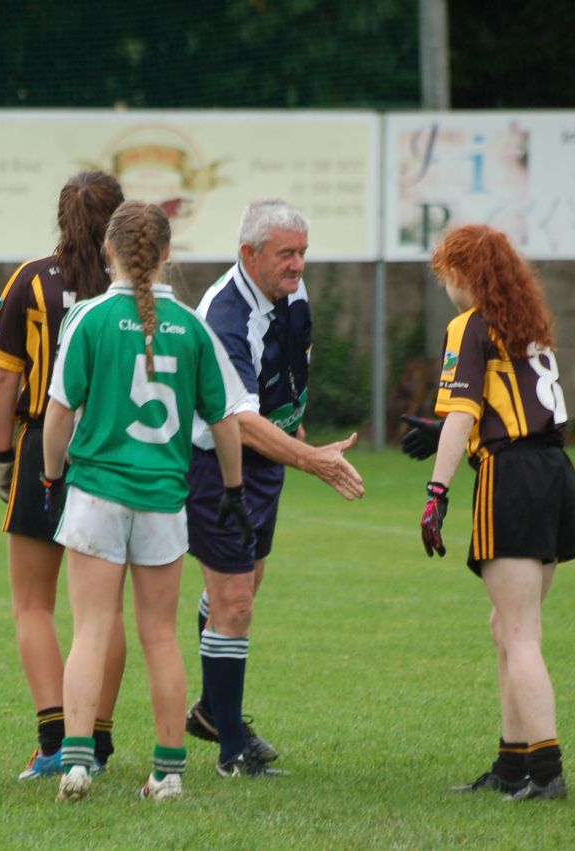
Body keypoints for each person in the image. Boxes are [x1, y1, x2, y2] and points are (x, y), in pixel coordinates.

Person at [43, 201, 251, 802]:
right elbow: (227, 420)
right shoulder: (191, 324)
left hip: (98, 495)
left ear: (108, 252)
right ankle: (168, 772)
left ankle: (78, 763)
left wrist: (51, 479)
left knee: (90, 630)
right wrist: (234, 490)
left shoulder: (89, 318)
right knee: (160, 634)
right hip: (163, 500)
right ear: (166, 255)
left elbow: (59, 414)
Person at [184, 198, 365, 777]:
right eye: (286, 254)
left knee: (244, 587)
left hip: (264, 458)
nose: (298, 265)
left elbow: (289, 361)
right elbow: (235, 417)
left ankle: (213, 710)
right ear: (248, 254)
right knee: (235, 601)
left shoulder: (292, 294)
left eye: (303, 253)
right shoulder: (224, 314)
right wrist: (312, 459)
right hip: (216, 465)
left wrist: (292, 416)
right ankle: (232, 750)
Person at [417, 223, 575, 801]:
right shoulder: (527, 325)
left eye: (447, 275)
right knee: (508, 626)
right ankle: (512, 764)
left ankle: (546, 772)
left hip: (511, 475)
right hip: (554, 474)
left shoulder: (468, 325)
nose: (447, 286)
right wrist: (445, 432)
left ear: (462, 274)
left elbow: (466, 415)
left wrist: (436, 493)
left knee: (520, 632)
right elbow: (502, 403)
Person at [0, 171, 129, 780]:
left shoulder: (33, 278)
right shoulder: (134, 288)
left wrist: (5, 455)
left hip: (45, 441)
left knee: (33, 605)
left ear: (63, 218)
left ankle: (54, 740)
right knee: (105, 611)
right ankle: (102, 739)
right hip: (115, 450)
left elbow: (5, 377)